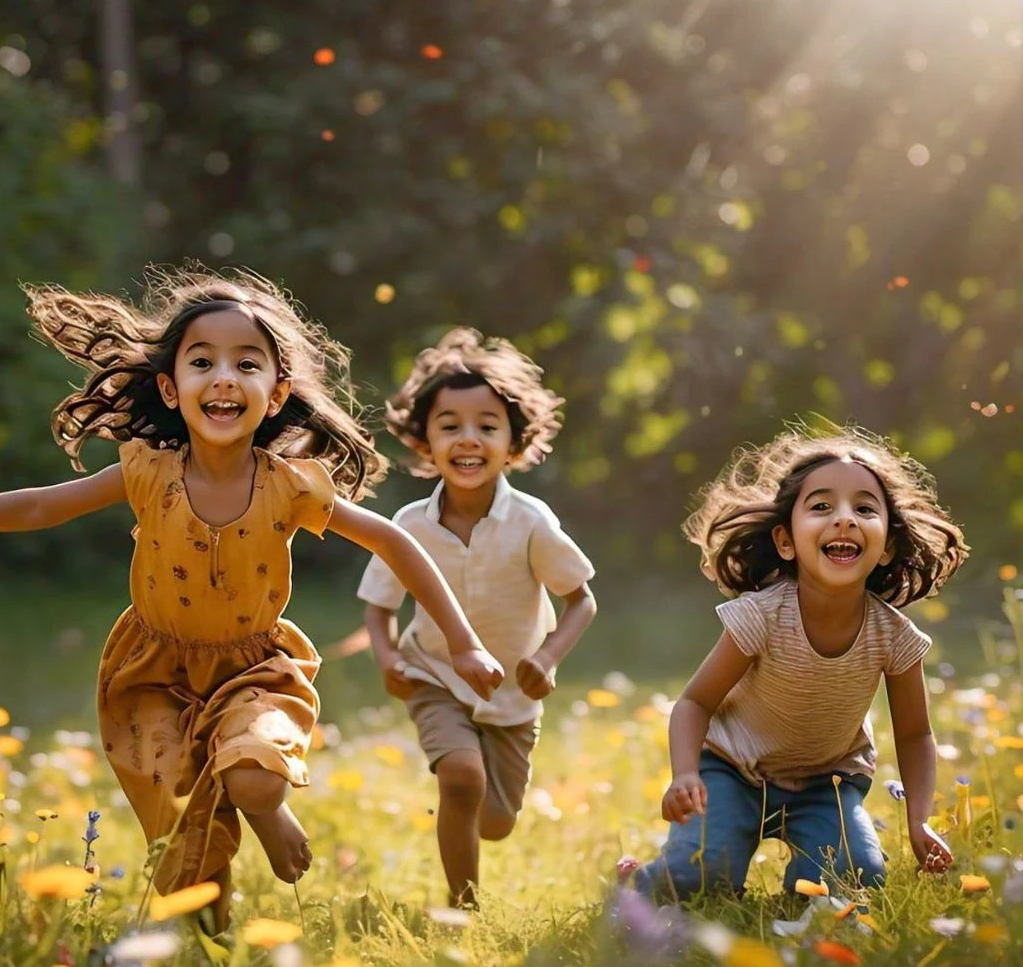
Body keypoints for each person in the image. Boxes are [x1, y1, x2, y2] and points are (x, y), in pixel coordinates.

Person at [0, 267, 503, 933]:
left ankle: (268, 812)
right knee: (186, 845)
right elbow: (40, 507)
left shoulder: (291, 487)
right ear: (171, 388)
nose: (223, 378)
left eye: (246, 364)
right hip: (152, 677)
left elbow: (394, 541)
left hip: (256, 671)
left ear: (276, 394)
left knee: (255, 778)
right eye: (202, 362)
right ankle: (213, 951)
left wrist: (464, 643)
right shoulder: (147, 471)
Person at [628, 424, 968, 903]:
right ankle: (639, 881)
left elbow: (915, 735)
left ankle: (798, 899)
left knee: (854, 879)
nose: (844, 519)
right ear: (786, 541)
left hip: (826, 783)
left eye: (865, 509)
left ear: (887, 546)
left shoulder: (893, 637)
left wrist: (919, 821)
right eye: (822, 507)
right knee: (696, 877)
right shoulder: (762, 616)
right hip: (731, 771)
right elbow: (694, 702)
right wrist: (686, 773)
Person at [358, 328, 596, 907]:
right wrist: (388, 659)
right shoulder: (408, 526)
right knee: (461, 779)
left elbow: (581, 599)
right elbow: (380, 604)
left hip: (513, 692)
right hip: (434, 675)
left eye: (487, 427)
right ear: (426, 442)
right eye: (450, 426)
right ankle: (462, 908)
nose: (468, 439)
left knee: (496, 821)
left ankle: (477, 835)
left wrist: (547, 658)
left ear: (514, 443)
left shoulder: (532, 523)